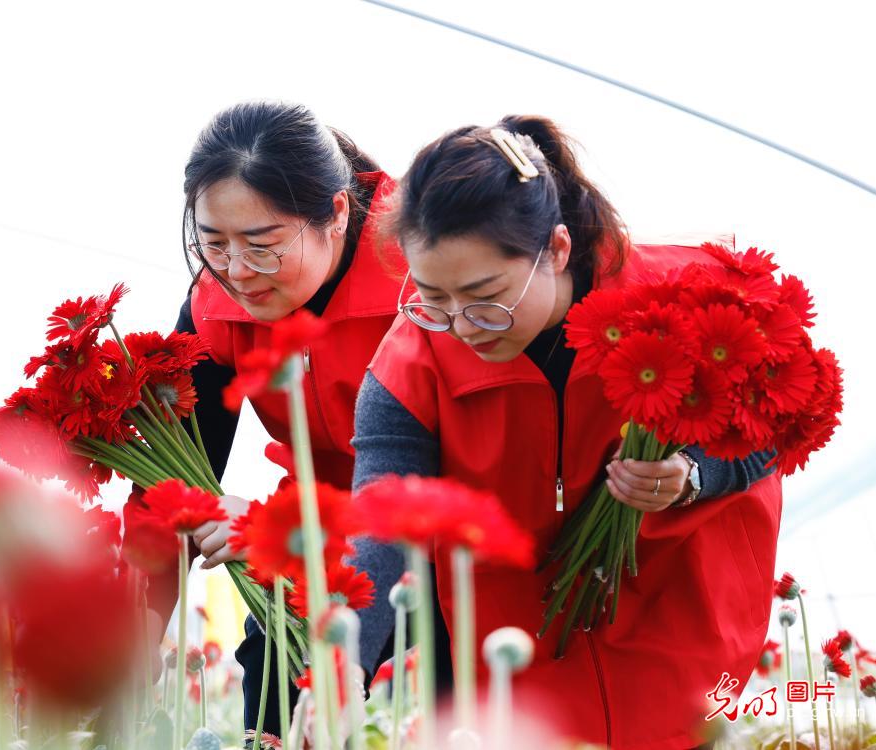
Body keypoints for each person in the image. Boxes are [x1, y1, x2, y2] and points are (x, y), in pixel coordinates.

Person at [351, 115, 782, 750]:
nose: (463, 325)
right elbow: (381, 519)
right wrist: (340, 662)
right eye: (433, 297)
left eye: (483, 293)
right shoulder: (411, 361)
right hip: (519, 632)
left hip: (682, 606)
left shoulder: (687, 295)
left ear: (555, 249)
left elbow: (772, 433)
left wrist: (692, 474)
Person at [141, 100, 453, 742]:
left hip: (447, 538)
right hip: (312, 546)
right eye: (213, 243)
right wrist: (137, 629)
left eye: (262, 245)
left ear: (337, 213)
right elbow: (173, 477)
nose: (235, 271)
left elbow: (469, 461)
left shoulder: (429, 279)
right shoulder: (213, 307)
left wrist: (278, 530)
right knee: (272, 670)